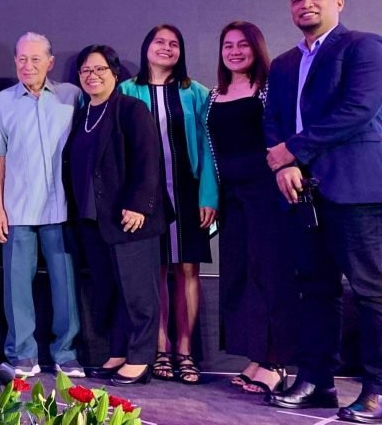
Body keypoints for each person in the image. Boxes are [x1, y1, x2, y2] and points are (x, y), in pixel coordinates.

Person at [264, 0, 382, 424]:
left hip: (355, 189)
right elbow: (273, 120)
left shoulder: (363, 46)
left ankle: (378, 390)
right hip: (300, 191)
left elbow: (357, 110)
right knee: (315, 289)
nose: (305, 4)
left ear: (339, 2)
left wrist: (294, 150)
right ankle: (316, 382)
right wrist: (284, 164)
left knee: (372, 292)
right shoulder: (283, 64)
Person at [119, 24, 217, 384]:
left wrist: (208, 195)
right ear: (146, 47)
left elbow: (209, 148)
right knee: (154, 270)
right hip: (145, 197)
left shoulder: (197, 93)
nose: (166, 48)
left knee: (188, 269)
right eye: (159, 42)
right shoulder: (126, 91)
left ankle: (185, 352)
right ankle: (159, 349)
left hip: (188, 193)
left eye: (174, 43)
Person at [0, 33, 83, 378]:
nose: (28, 65)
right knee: (16, 288)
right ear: (15, 61)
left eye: (36, 59)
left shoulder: (72, 97)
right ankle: (22, 353)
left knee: (65, 286)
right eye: (22, 59)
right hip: (17, 210)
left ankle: (65, 353)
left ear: (50, 62)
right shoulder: (0, 103)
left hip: (61, 209)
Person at [64, 45, 164, 386]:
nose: (92, 76)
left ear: (115, 73)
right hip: (94, 223)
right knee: (112, 291)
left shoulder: (131, 109)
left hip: (130, 218)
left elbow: (149, 160)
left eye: (99, 69)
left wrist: (139, 205)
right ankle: (119, 351)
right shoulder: (83, 115)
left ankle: (141, 357)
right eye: (85, 71)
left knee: (138, 291)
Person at [206, 21, 296, 394]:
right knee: (240, 276)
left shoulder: (269, 89)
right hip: (232, 197)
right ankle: (255, 357)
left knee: (269, 275)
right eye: (228, 45)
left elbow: (284, 137)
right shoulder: (214, 94)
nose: (235, 51)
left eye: (243, 44)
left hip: (267, 194)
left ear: (256, 48)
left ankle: (275, 361)